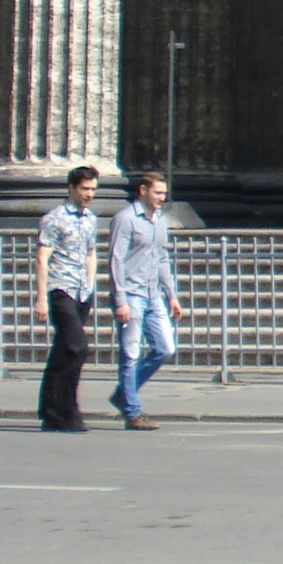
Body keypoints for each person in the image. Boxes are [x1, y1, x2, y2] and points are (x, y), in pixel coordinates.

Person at [107, 172, 182, 431]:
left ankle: (124, 394)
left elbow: (162, 258)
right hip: (131, 294)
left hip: (153, 294)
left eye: (164, 193)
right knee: (130, 353)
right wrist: (120, 300)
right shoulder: (125, 218)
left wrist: (171, 295)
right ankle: (132, 412)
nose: (162, 198)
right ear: (143, 191)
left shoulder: (160, 219)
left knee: (165, 348)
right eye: (157, 193)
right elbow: (116, 259)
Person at [34, 165, 101, 434]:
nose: (89, 194)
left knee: (64, 350)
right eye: (85, 189)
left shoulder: (91, 218)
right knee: (77, 347)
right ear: (72, 188)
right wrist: (41, 297)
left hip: (82, 290)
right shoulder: (55, 218)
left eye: (93, 189)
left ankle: (54, 412)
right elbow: (42, 258)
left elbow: (91, 253)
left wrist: (90, 283)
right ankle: (66, 409)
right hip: (60, 288)